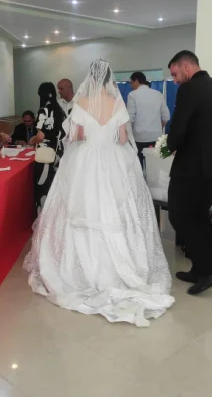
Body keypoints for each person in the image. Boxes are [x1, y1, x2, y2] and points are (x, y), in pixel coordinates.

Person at [24, 60, 174, 327]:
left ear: (90, 78)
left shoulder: (81, 102)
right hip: (114, 161)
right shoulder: (117, 102)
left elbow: (76, 136)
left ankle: (81, 269)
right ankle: (122, 268)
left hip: (86, 162)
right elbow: (123, 139)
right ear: (109, 79)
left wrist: (89, 137)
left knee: (80, 208)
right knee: (117, 209)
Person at [167, 50, 212, 295]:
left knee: (179, 215)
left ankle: (209, 270)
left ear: (186, 66)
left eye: (175, 74)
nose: (175, 80)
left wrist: (169, 146)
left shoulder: (189, 89)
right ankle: (200, 269)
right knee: (199, 217)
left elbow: (179, 126)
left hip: (192, 166)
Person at [28, 83, 66, 210]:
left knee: (43, 187)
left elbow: (40, 136)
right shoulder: (60, 110)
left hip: (45, 155)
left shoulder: (44, 110)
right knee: (54, 186)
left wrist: (32, 140)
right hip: (58, 152)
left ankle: (42, 214)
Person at [127, 71, 170, 168]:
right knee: (156, 167)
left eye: (131, 82)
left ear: (136, 81)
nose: (131, 85)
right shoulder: (158, 94)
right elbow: (166, 117)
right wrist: (158, 128)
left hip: (139, 137)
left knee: (139, 166)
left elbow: (130, 118)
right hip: (157, 137)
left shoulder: (132, 95)